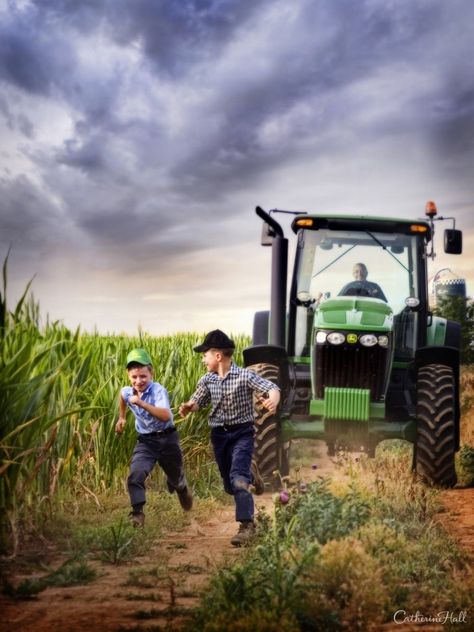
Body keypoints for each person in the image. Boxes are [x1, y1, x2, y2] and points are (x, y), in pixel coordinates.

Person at [179, 329, 280, 547]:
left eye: (204, 354)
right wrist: (189, 406)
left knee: (238, 480)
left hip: (242, 433)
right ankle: (252, 475)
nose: (202, 359)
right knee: (229, 484)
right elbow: (198, 401)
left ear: (218, 356)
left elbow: (271, 387)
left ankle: (247, 525)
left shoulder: (245, 376)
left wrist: (273, 400)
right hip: (219, 436)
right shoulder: (207, 380)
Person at [116, 348, 193, 528]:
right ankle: (137, 513)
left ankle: (182, 488)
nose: (138, 381)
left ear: (151, 373)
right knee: (136, 474)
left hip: (167, 439)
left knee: (175, 478)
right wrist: (121, 417)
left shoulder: (158, 391)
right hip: (146, 441)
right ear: (128, 375)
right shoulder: (128, 391)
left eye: (143, 376)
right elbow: (122, 396)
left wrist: (141, 403)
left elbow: (166, 416)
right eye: (134, 377)